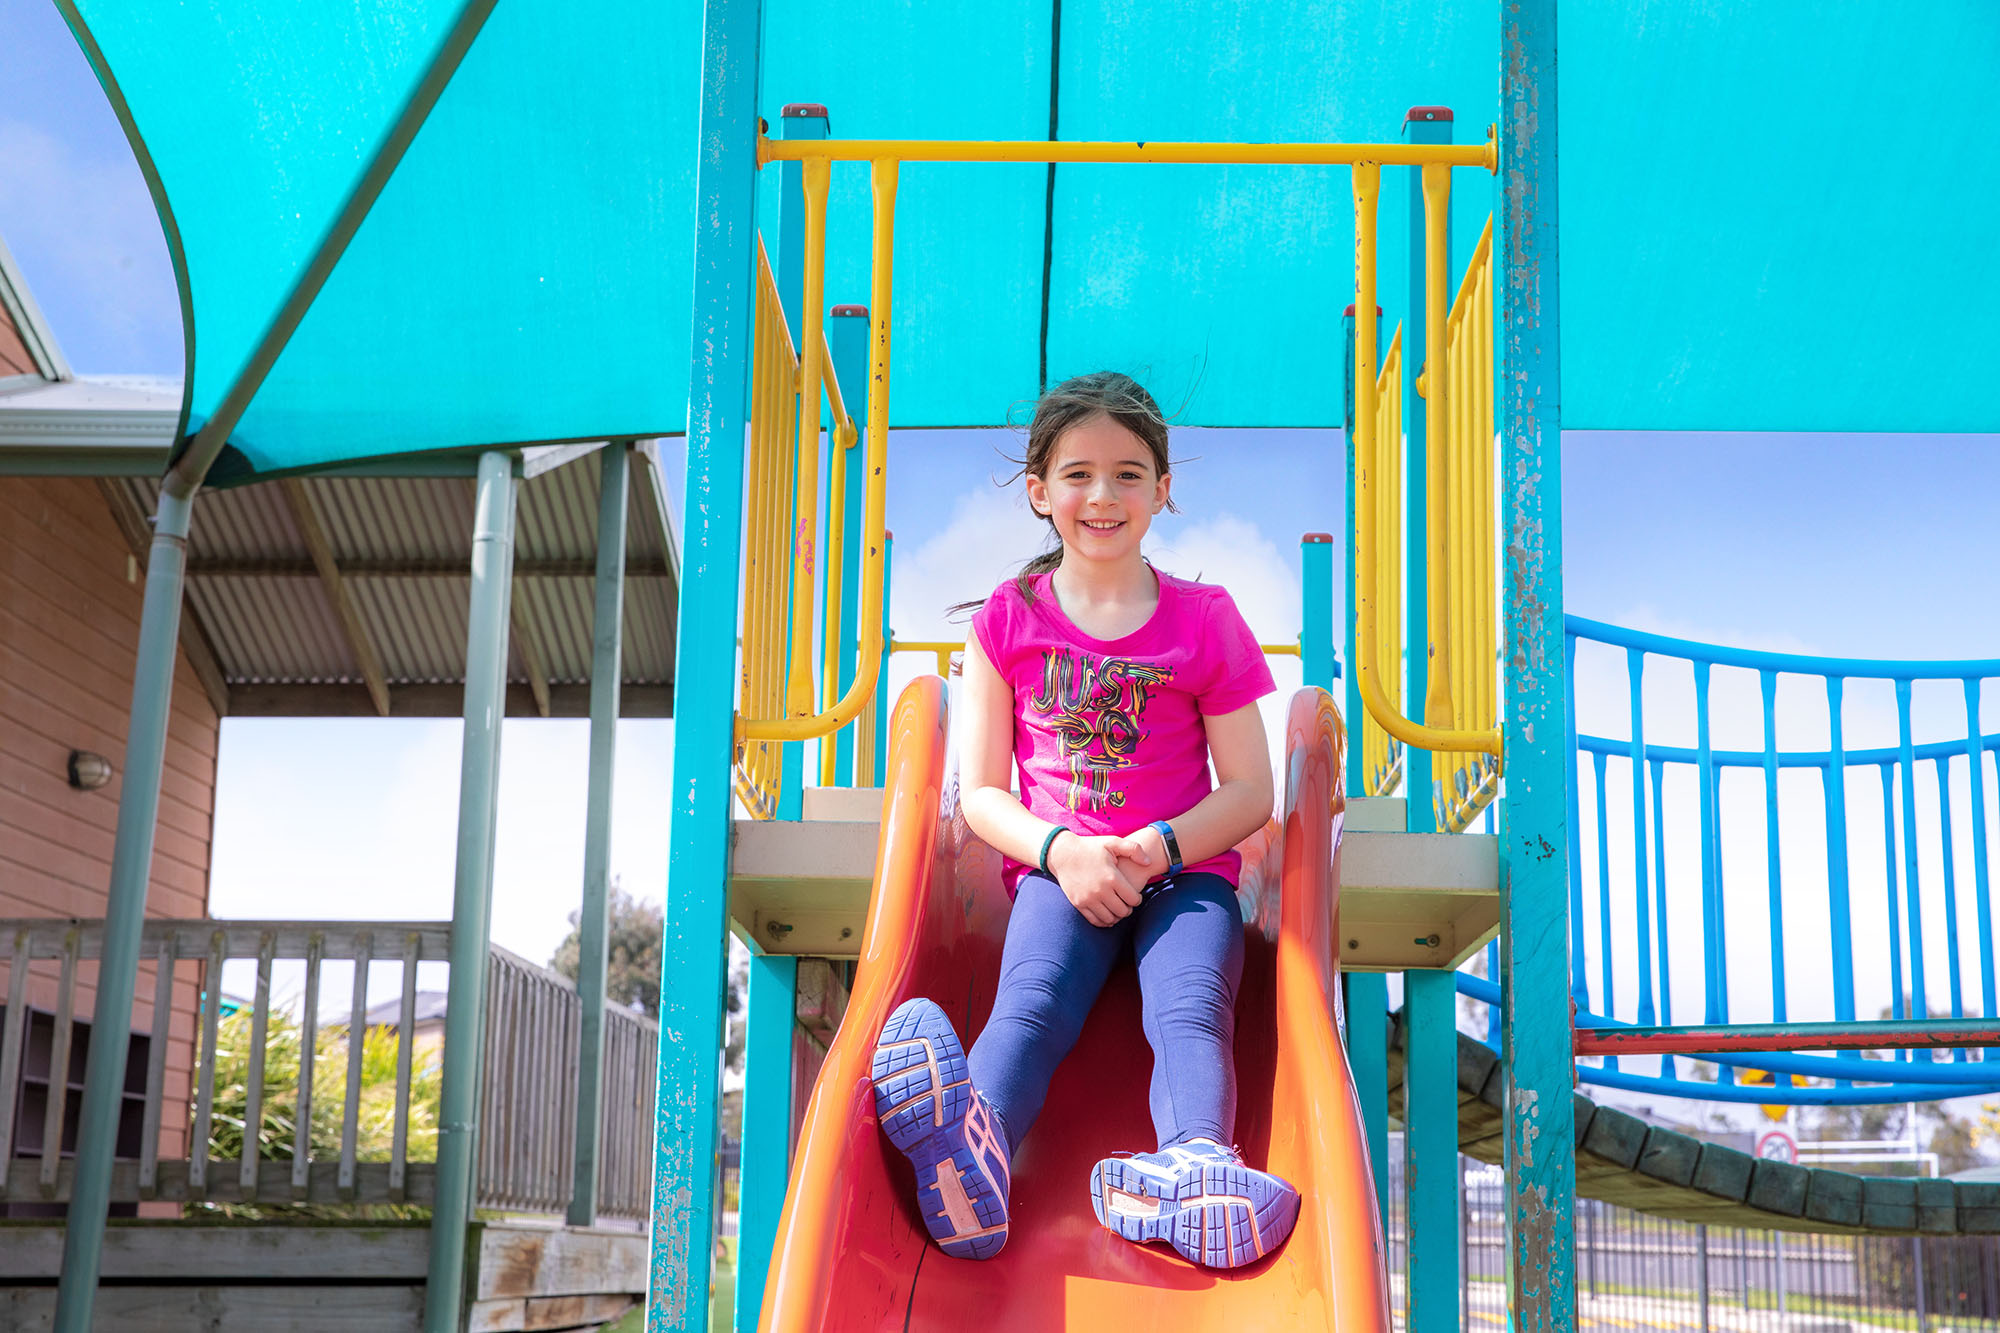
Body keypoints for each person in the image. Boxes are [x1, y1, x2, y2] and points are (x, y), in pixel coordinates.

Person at [868, 371, 1301, 1269]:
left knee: (1190, 1003)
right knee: (1031, 1001)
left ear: (1163, 489)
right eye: (1078, 474)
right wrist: (1065, 853)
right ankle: (977, 1147)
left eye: (1129, 474)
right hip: (1061, 871)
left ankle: (1195, 1164)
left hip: (1182, 872)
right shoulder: (1007, 621)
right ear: (1039, 490)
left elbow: (1251, 790)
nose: (1103, 495)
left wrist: (1160, 846)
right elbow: (982, 794)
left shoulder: (1205, 619)